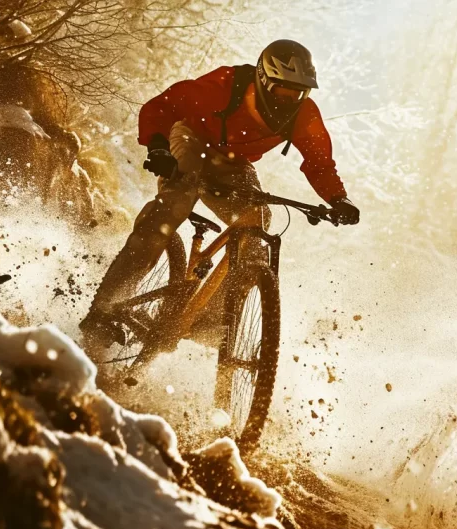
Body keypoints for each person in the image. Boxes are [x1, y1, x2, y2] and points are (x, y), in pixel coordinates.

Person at [80, 39, 358, 349]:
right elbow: (162, 106)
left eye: (299, 92)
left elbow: (319, 163)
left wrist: (338, 199)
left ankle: (208, 322)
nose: (291, 99)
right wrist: (158, 146)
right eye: (284, 90)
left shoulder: (303, 114)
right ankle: (103, 310)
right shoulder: (226, 86)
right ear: (264, 81)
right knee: (174, 205)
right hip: (192, 139)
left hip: (232, 163)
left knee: (257, 224)